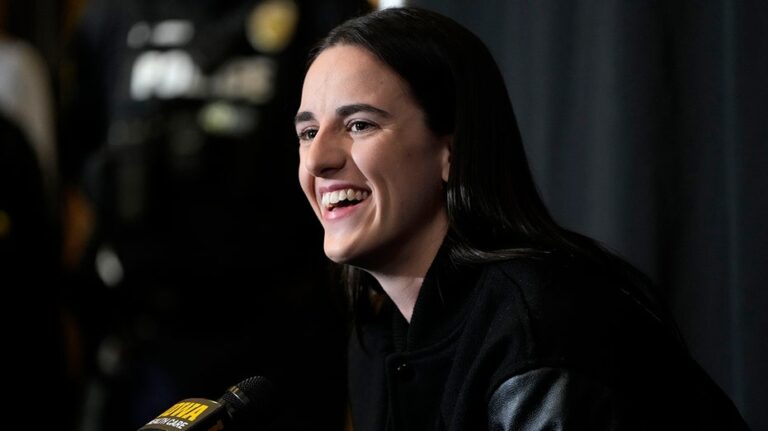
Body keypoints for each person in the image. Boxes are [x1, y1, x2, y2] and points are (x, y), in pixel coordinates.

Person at [294, 7, 750, 431]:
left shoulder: (539, 327)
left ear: (451, 149)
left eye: (359, 125)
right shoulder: (378, 336)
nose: (317, 160)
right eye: (308, 132)